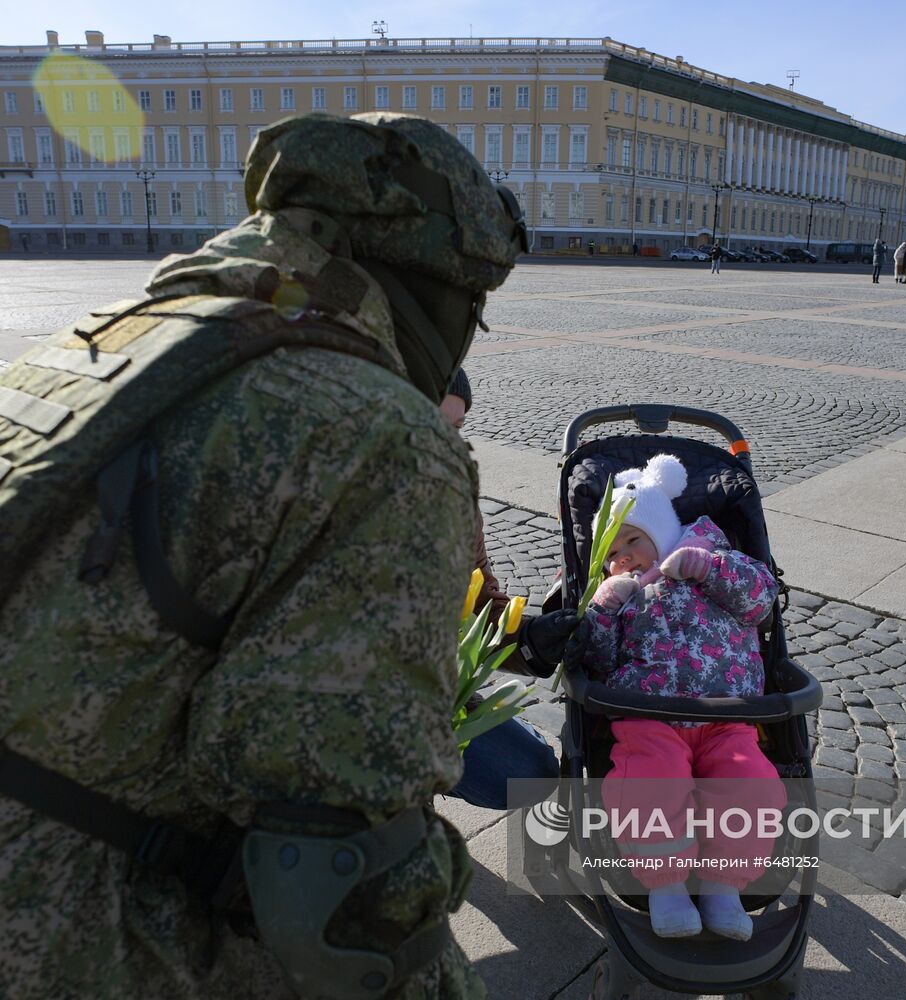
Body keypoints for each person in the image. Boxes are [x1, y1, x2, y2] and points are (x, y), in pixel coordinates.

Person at [0, 113, 528, 1000]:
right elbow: (335, 852)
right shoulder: (372, 433)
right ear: (430, 281)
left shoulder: (88, 346)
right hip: (76, 928)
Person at [581, 454, 785, 943]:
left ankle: (723, 885)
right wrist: (603, 611)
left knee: (750, 780)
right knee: (649, 778)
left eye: (633, 540)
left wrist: (710, 569)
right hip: (648, 713)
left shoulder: (710, 553)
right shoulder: (620, 593)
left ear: (662, 531)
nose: (622, 556)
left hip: (727, 712)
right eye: (610, 551)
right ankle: (666, 886)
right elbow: (598, 662)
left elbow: (761, 600)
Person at [439, 368, 575, 809]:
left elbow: (477, 598)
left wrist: (529, 638)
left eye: (455, 430)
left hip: (434, 699)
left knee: (527, 775)